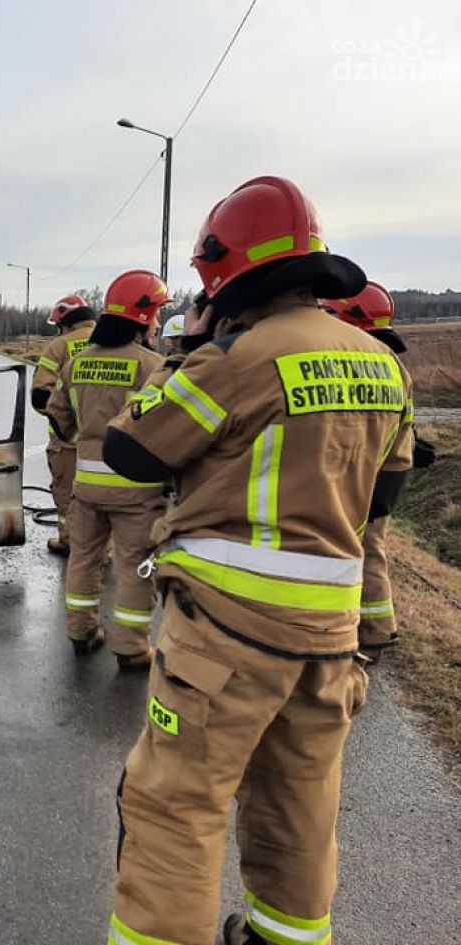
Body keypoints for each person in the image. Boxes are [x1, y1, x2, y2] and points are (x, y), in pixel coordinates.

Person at [101, 176, 414, 945]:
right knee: (301, 808)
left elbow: (130, 448)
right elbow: (385, 496)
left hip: (224, 640)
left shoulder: (235, 359)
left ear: (221, 271)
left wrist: (194, 347)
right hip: (329, 641)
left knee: (176, 806)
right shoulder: (382, 362)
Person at [45, 272, 168, 670]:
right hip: (137, 490)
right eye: (157, 315)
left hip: (86, 487)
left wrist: (85, 439)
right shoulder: (153, 366)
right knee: (135, 565)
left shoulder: (77, 363)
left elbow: (58, 416)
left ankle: (81, 633)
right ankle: (131, 649)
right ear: (143, 317)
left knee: (83, 558)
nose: (159, 323)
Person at [319, 282, 435, 662]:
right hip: (392, 467)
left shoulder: (351, 359)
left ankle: (367, 632)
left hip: (365, 467)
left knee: (357, 547)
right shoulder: (392, 362)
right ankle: (377, 628)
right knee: (372, 546)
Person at [30, 296, 97, 555]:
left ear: (65, 324)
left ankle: (70, 541)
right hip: (110, 441)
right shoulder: (117, 342)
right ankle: (107, 546)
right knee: (107, 494)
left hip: (67, 443)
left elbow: (40, 397)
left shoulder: (59, 347)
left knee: (67, 493)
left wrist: (66, 423)